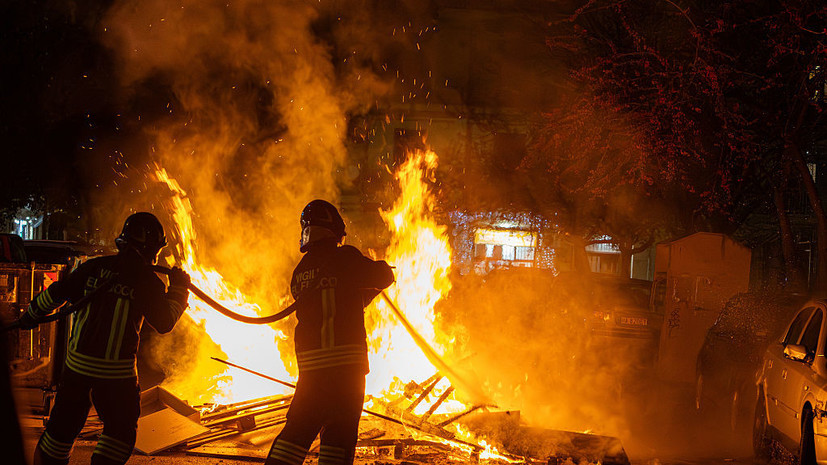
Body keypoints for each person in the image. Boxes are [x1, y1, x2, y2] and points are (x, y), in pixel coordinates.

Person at [16, 212, 191, 465]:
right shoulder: (147, 282)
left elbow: (56, 294)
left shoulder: (93, 268)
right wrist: (178, 290)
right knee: (120, 434)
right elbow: (165, 322)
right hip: (116, 378)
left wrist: (30, 315)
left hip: (76, 372)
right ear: (151, 249)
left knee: (61, 432)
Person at [266, 200, 395, 465]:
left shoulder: (300, 272)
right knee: (338, 440)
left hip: (312, 374)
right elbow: (382, 276)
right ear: (335, 230)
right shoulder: (346, 258)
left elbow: (334, 298)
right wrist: (384, 270)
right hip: (346, 374)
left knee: (296, 434)